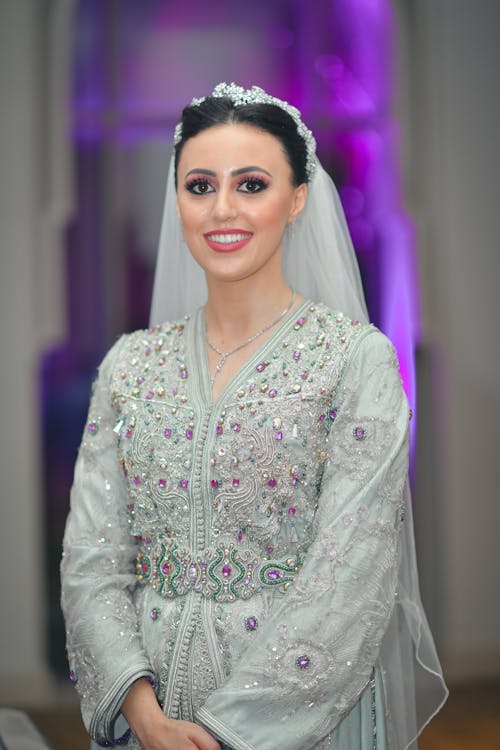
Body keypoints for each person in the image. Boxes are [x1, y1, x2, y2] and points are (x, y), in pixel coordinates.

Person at [61, 83, 447, 750]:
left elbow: (351, 573)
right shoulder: (128, 367)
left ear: (297, 197)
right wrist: (144, 714)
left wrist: (227, 733)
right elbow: (91, 560)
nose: (222, 210)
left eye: (252, 184)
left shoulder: (354, 361)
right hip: (148, 712)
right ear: (176, 199)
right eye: (200, 185)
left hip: (301, 710)